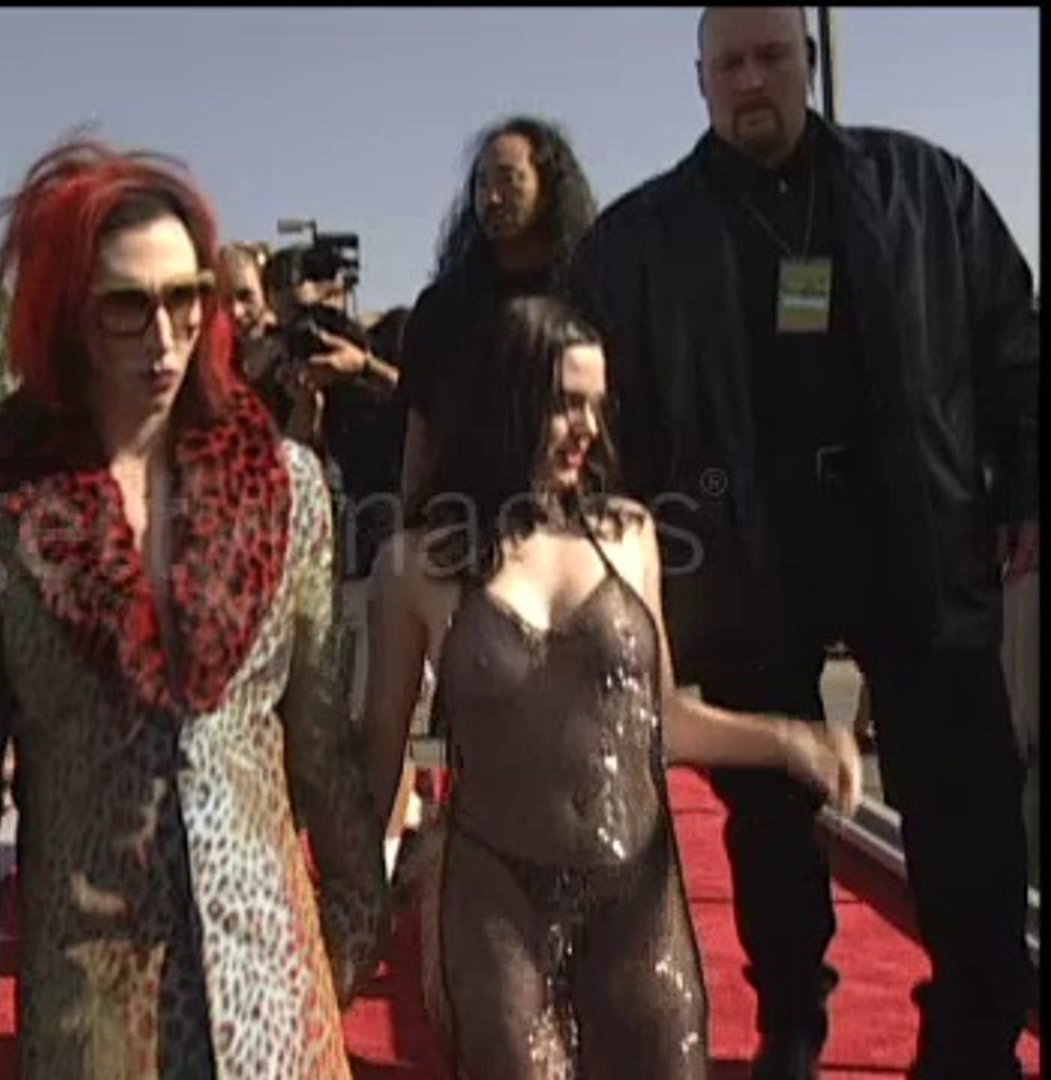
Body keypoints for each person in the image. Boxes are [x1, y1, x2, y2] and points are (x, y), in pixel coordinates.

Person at [570, 8, 1038, 1078]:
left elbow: (1016, 342)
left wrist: (1028, 487)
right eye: (729, 63)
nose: (751, 80)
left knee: (963, 800)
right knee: (771, 825)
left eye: (771, 56)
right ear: (699, 82)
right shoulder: (636, 243)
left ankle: (974, 1036)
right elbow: (585, 410)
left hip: (915, 537)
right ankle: (791, 1022)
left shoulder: (927, 194)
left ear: (808, 64)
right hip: (740, 556)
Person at [0, 135, 389, 1078]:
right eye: (127, 306)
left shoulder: (285, 487)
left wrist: (345, 936)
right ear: (67, 315)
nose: (163, 336)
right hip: (93, 1007)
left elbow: (321, 746)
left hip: (273, 999)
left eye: (185, 298)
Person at [360, 294, 862, 1078]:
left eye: (597, 404)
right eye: (565, 403)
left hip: (637, 894)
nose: (588, 428)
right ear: (506, 401)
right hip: (494, 900)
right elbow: (378, 756)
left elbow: (665, 721)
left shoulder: (629, 534)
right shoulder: (413, 565)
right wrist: (352, 896)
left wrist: (789, 740)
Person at [398, 114, 598, 504]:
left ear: (548, 186)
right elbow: (422, 427)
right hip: (465, 513)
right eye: (482, 183)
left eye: (509, 179)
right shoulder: (445, 306)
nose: (492, 198)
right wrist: (409, 516)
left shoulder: (588, 291)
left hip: (570, 509)